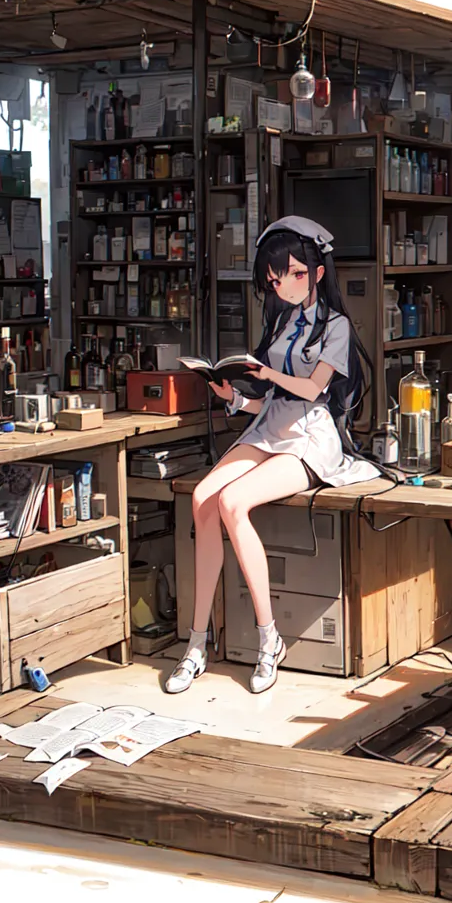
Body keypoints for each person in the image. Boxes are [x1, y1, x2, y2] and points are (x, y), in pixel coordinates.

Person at [164, 216, 380, 696]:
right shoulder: (281, 321)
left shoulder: (336, 326)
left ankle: (268, 639)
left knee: (232, 503)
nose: (284, 284)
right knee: (203, 498)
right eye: (276, 277)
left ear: (318, 272)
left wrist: (267, 372)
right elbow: (272, 402)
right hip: (268, 428)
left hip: (309, 437)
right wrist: (234, 398)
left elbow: (311, 388)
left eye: (295, 274)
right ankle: (197, 643)